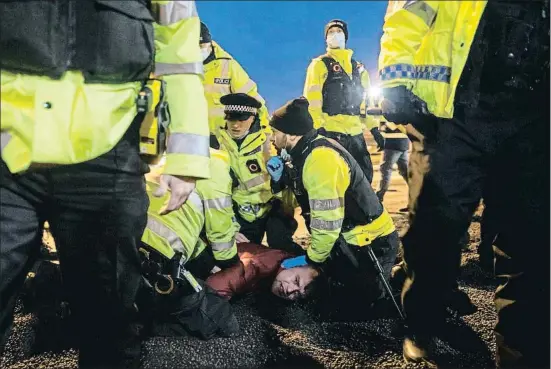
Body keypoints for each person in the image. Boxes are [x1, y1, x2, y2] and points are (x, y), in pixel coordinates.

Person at [0, 1, 210, 367]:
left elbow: (180, 57)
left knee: (108, 314)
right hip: (6, 150)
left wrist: (188, 157)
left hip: (107, 157)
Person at [378, 1, 549, 367]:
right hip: (453, 113)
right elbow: (410, 10)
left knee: (531, 246)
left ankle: (523, 355)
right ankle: (423, 324)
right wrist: (394, 80)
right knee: (433, 231)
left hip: (536, 117)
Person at [267, 97, 400, 309]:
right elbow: (297, 201)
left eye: (275, 132)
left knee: (364, 302)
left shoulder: (320, 160)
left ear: (291, 134)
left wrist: (313, 259)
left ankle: (402, 278)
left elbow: (326, 222)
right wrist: (278, 182)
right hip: (345, 240)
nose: (272, 138)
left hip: (370, 242)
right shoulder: (301, 154)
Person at [216, 93, 301, 254]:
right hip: (240, 214)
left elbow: (293, 194)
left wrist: (281, 181)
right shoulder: (217, 145)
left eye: (242, 119)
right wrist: (230, 227)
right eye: (231, 119)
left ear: (253, 118)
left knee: (281, 244)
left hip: (274, 208)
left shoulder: (271, 144)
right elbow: (216, 196)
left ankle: (309, 269)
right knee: (244, 254)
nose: (236, 125)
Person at [303, 19, 375, 183]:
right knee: (335, 179)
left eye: (339, 31)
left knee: (364, 178)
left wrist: (374, 128)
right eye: (331, 32)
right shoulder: (319, 65)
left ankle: (362, 209)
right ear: (326, 38)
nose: (335, 35)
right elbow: (312, 100)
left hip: (356, 133)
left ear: (346, 37)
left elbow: (365, 102)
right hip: (331, 131)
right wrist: (318, 128)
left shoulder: (359, 68)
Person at [200, 22, 271, 135]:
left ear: (210, 43)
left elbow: (252, 99)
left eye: (202, 45)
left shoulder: (227, 66)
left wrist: (265, 135)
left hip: (221, 140)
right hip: (187, 139)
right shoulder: (178, 67)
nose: (200, 50)